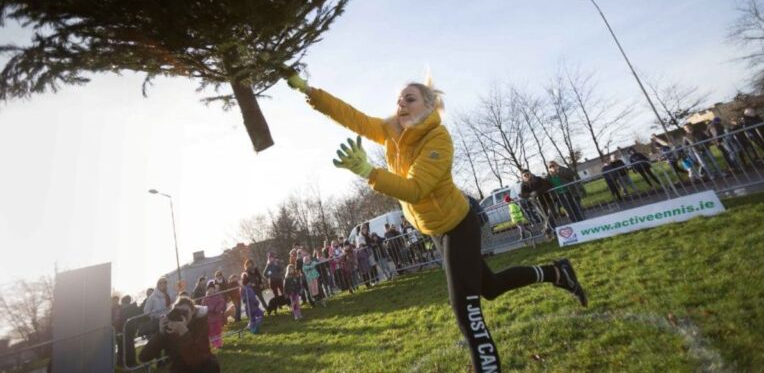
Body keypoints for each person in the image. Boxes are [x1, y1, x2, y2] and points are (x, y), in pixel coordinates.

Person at [283, 73, 587, 372]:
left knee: (465, 309)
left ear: (429, 106)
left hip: (458, 226)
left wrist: (369, 172)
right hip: (435, 230)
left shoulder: (438, 138)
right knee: (490, 287)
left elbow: (416, 189)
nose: (401, 104)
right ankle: (556, 272)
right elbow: (354, 118)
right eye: (398, 100)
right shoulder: (391, 130)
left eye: (410, 99)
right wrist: (309, 90)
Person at [138, 296, 220, 373]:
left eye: (185, 312)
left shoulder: (200, 326)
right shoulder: (170, 329)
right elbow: (144, 357)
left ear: (193, 312)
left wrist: (184, 333)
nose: (181, 315)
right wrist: (160, 334)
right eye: (177, 311)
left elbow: (196, 361)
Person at [519, 169, 557, 237]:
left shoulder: (538, 179)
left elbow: (548, 185)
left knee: (553, 214)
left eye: (528, 174)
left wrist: (537, 192)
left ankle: (546, 229)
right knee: (546, 218)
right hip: (537, 203)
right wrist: (530, 194)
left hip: (547, 199)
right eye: (525, 175)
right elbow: (522, 195)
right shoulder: (523, 185)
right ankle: (553, 233)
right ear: (522, 177)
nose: (527, 176)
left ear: (530, 173)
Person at [118, 295, 142, 367]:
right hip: (131, 329)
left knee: (127, 346)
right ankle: (130, 361)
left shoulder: (127, 309)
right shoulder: (133, 308)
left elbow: (122, 319)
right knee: (129, 346)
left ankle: (129, 362)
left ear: (124, 302)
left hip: (127, 329)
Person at [201, 281, 226, 349]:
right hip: (210, 318)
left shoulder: (218, 296)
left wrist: (217, 309)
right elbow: (204, 306)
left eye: (212, 289)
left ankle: (219, 343)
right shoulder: (205, 298)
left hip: (217, 316)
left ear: (214, 289)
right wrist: (211, 309)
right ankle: (215, 344)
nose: (211, 290)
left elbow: (222, 302)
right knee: (212, 331)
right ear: (207, 290)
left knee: (218, 329)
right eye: (209, 289)